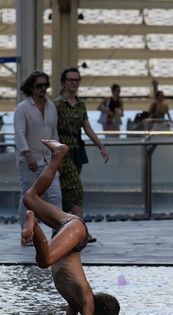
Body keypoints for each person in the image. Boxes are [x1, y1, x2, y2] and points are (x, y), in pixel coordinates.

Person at [20, 139, 120, 315]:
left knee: (30, 197)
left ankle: (58, 154)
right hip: (75, 231)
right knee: (45, 260)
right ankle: (33, 223)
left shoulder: (73, 304)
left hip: (70, 228)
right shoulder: (85, 300)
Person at [54, 67, 109, 243]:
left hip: (76, 149)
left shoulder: (80, 105)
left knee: (68, 192)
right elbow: (51, 129)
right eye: (70, 80)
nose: (74, 83)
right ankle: (82, 231)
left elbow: (87, 128)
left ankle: (61, 229)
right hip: (63, 151)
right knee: (76, 188)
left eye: (76, 80)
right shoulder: (57, 105)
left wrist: (100, 146)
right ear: (63, 82)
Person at [14, 70, 62, 240]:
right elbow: (19, 133)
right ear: (31, 88)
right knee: (28, 198)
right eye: (39, 85)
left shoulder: (51, 107)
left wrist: (58, 156)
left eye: (45, 85)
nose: (43, 88)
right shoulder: (22, 108)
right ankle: (26, 232)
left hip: (49, 160)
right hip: (29, 160)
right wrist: (28, 154)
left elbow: (53, 133)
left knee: (56, 195)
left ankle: (59, 231)